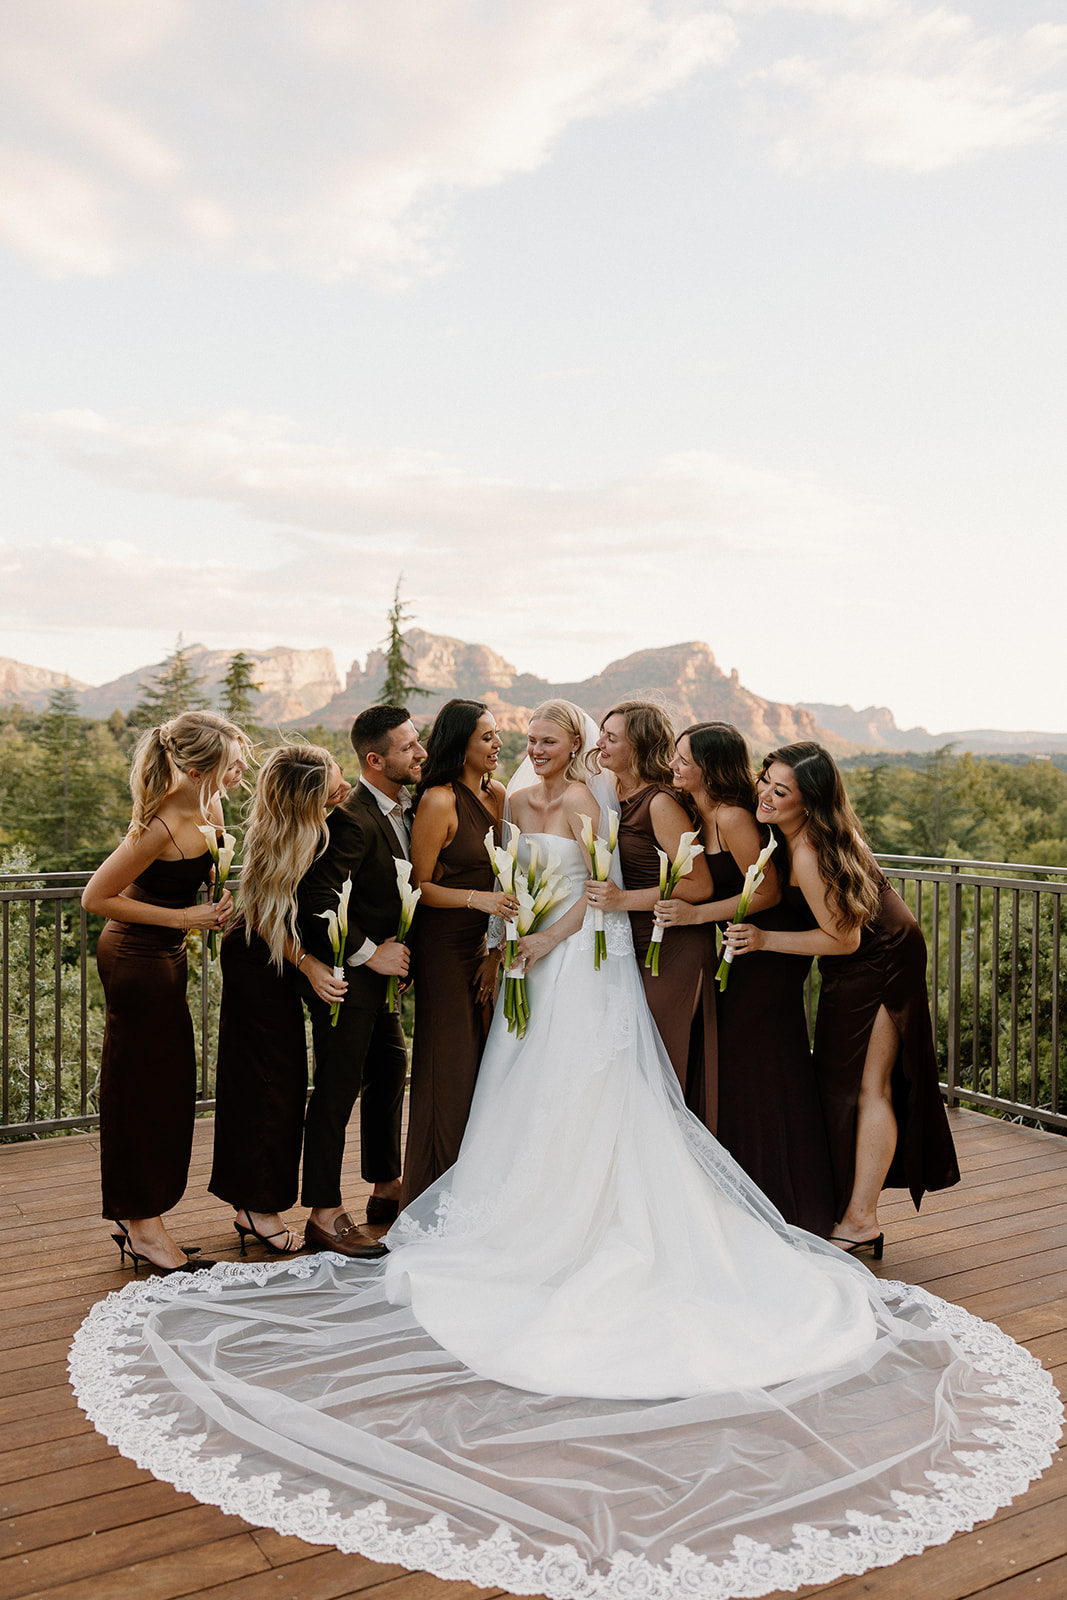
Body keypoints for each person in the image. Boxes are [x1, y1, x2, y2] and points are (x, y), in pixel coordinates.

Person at [71, 712, 1057, 1598]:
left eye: (548, 739)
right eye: (522, 739)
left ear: (584, 748)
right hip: (531, 957)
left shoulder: (593, 799)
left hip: (585, 967)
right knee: (522, 1100)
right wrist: (519, 931)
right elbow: (507, 874)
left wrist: (552, 940)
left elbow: (593, 888)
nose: (534, 752)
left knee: (603, 1099)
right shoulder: (508, 800)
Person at [725, 741, 960, 1254]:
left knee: (867, 1085)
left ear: (808, 802)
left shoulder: (808, 849)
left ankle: (860, 1219)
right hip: (857, 956)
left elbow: (845, 938)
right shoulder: (801, 831)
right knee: (838, 1081)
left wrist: (764, 940)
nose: (764, 793)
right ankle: (846, 1206)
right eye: (765, 779)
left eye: (780, 790)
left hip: (879, 955)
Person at [83, 710, 251, 1274]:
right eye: (232, 762)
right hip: (133, 957)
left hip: (166, 957)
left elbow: (205, 879)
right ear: (203, 765)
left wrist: (215, 907)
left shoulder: (211, 806)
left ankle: (142, 1218)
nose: (241, 770)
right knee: (143, 1088)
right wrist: (184, 918)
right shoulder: (160, 821)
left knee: (168, 1084)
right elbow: (96, 898)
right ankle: (144, 1226)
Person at [656, 723, 836, 1233]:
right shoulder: (705, 815)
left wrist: (695, 916)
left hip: (770, 946)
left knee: (760, 1063)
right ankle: (761, 1193)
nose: (674, 764)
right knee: (748, 1065)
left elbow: (770, 893)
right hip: (745, 947)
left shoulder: (733, 817)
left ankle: (785, 1201)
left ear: (709, 767)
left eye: (683, 757)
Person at [208, 744, 351, 1253]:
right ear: (311, 791)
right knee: (268, 1085)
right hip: (259, 961)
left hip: (273, 962)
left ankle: (253, 1200)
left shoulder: (317, 824)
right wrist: (311, 967)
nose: (343, 779)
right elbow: (267, 916)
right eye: (334, 775)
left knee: (280, 1081)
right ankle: (256, 1209)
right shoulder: (292, 835)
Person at [294, 705, 426, 1256]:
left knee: (391, 1067)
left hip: (378, 982)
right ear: (375, 760)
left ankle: (385, 1186)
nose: (420, 753)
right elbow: (315, 903)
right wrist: (373, 955)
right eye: (408, 747)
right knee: (337, 1089)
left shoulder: (402, 809)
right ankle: (323, 1214)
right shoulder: (352, 817)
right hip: (346, 979)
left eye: (418, 743)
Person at [402, 699, 510, 1206]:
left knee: (486, 1065)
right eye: (487, 736)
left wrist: (494, 948)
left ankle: (477, 1189)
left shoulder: (500, 796)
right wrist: (476, 898)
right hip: (442, 948)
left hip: (482, 946)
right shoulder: (439, 801)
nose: (498, 744)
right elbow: (420, 886)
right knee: (449, 1067)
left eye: (496, 735)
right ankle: (433, 1194)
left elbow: (506, 876)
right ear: (460, 742)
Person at [587, 700, 716, 1120]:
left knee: (659, 1060)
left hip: (672, 946)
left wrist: (624, 900)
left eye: (611, 737)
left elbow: (699, 884)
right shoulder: (608, 792)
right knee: (625, 1059)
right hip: (629, 944)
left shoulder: (660, 803)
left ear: (638, 745)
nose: (600, 742)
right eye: (602, 733)